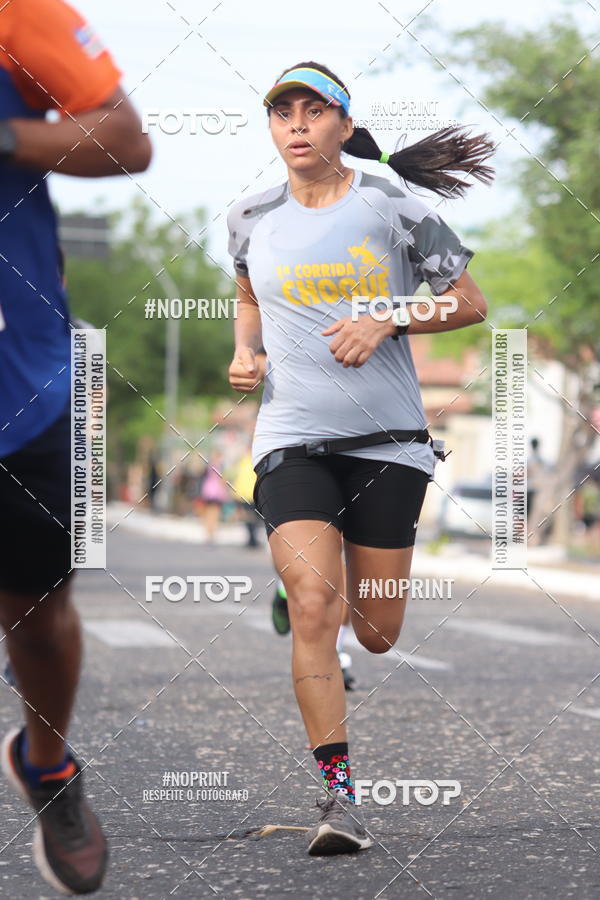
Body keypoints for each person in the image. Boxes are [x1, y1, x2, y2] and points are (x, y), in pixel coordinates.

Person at [227, 61, 493, 856]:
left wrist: (386, 318)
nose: (297, 124)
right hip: (291, 440)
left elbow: (472, 302)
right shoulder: (248, 214)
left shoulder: (389, 203)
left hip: (389, 443)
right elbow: (246, 295)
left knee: (375, 629)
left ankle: (318, 605)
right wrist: (246, 351)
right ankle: (337, 800)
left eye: (315, 111)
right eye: (283, 113)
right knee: (316, 603)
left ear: (345, 125)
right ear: (272, 128)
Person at [0, 2, 151, 893]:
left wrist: (10, 137)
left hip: (18, 384)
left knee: (40, 620)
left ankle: (47, 762)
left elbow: (126, 141)